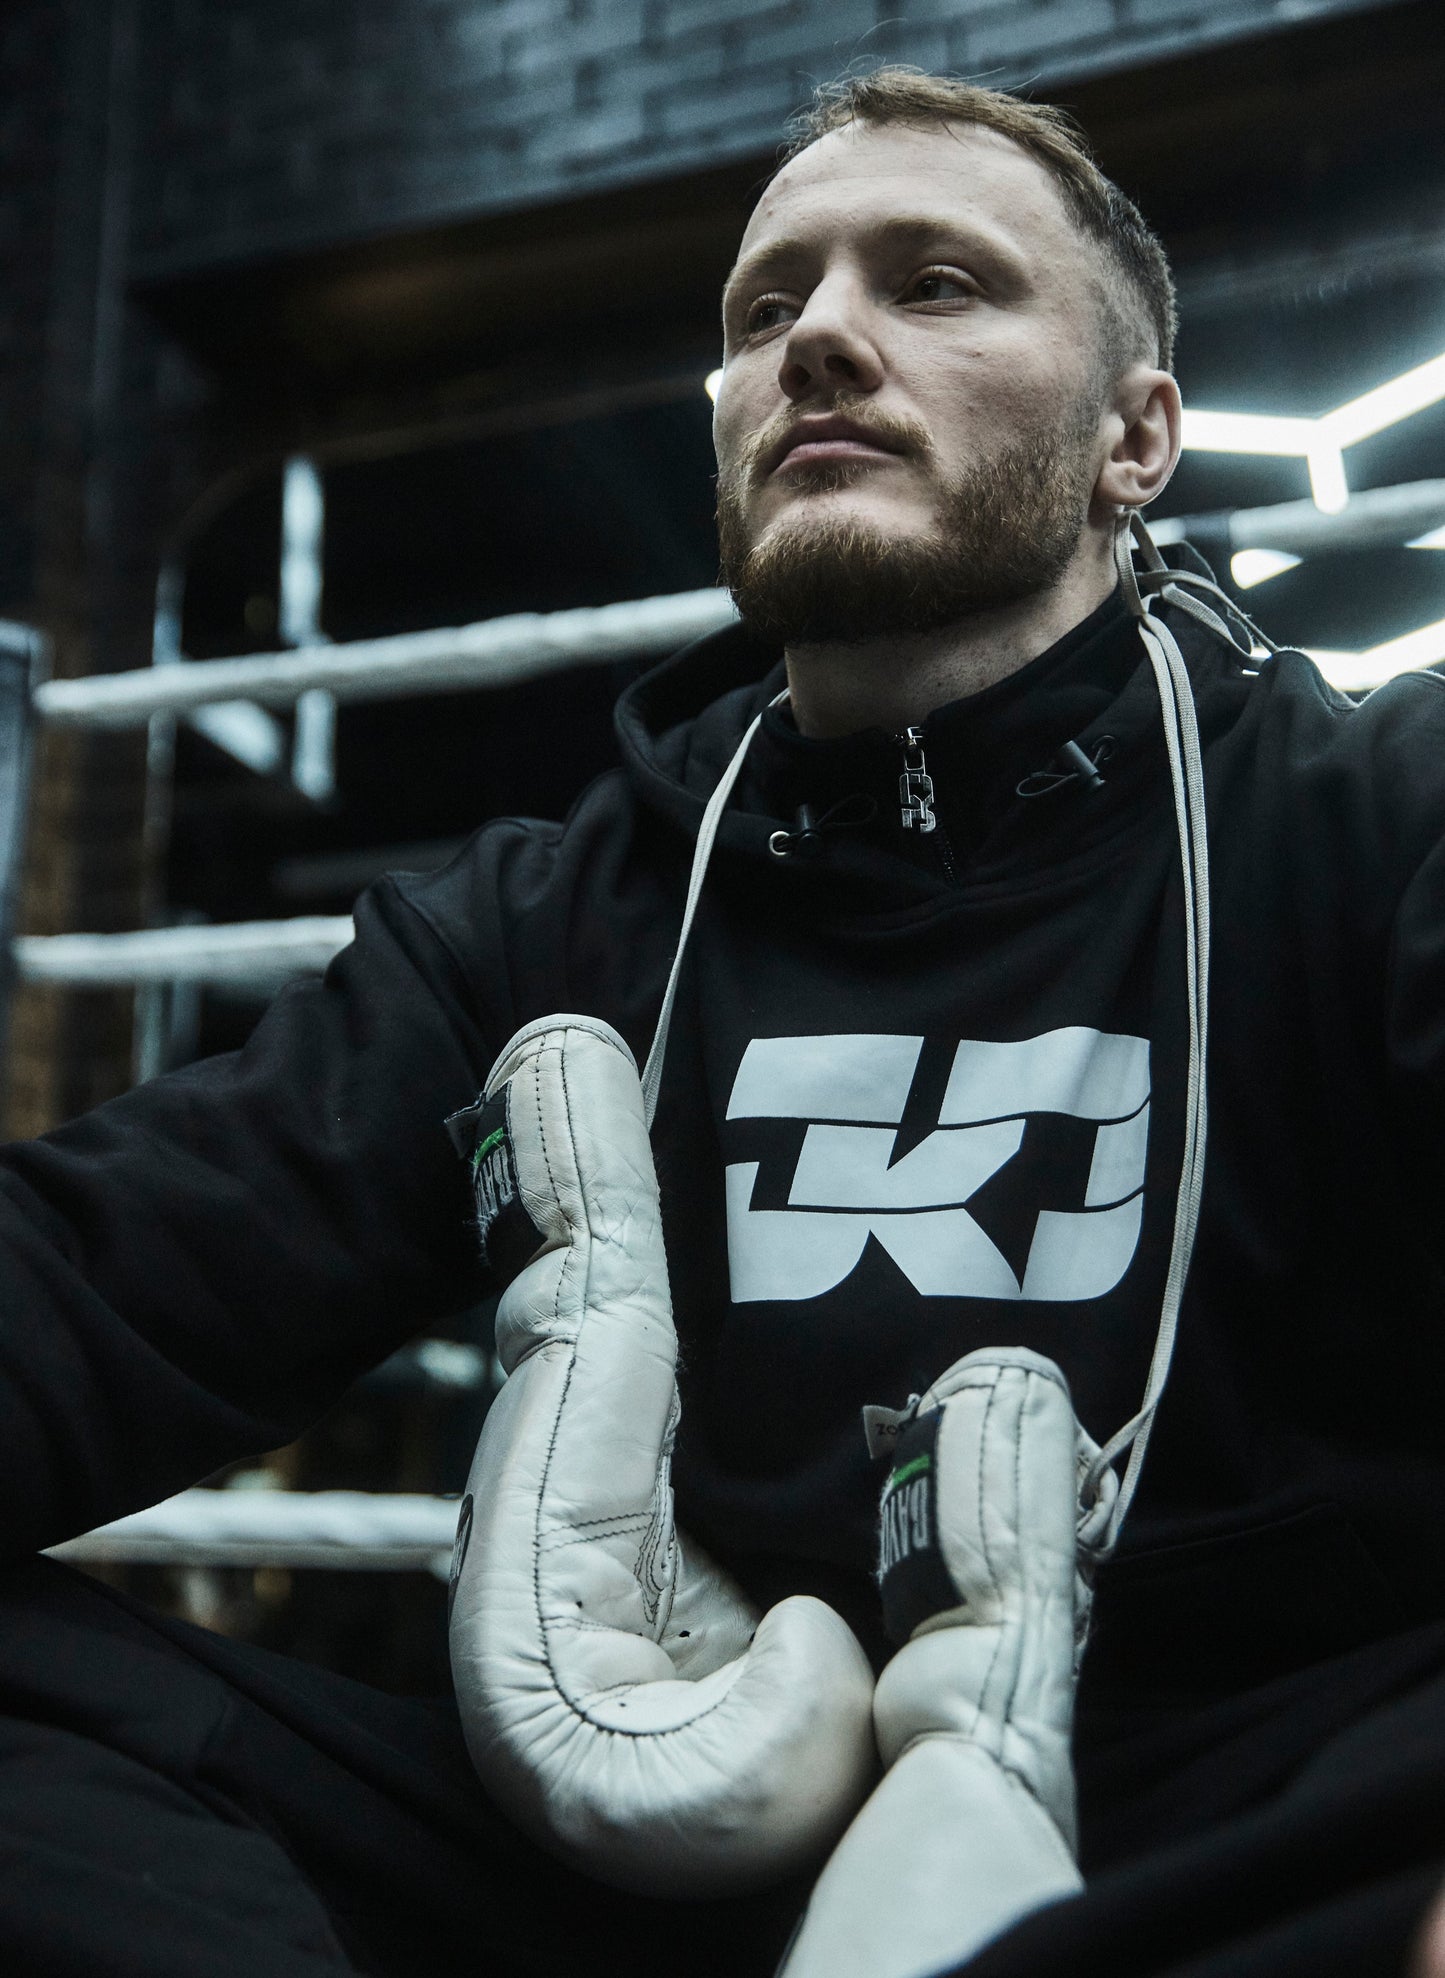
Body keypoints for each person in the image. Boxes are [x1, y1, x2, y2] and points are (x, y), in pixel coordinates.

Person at [3, 62, 1445, 1977]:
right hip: (657, 1840)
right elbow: (110, 1273)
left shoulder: (1371, 820)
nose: (818, 339)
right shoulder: (553, 916)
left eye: (935, 283)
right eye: (768, 307)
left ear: (1136, 437)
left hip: (1224, 1840)